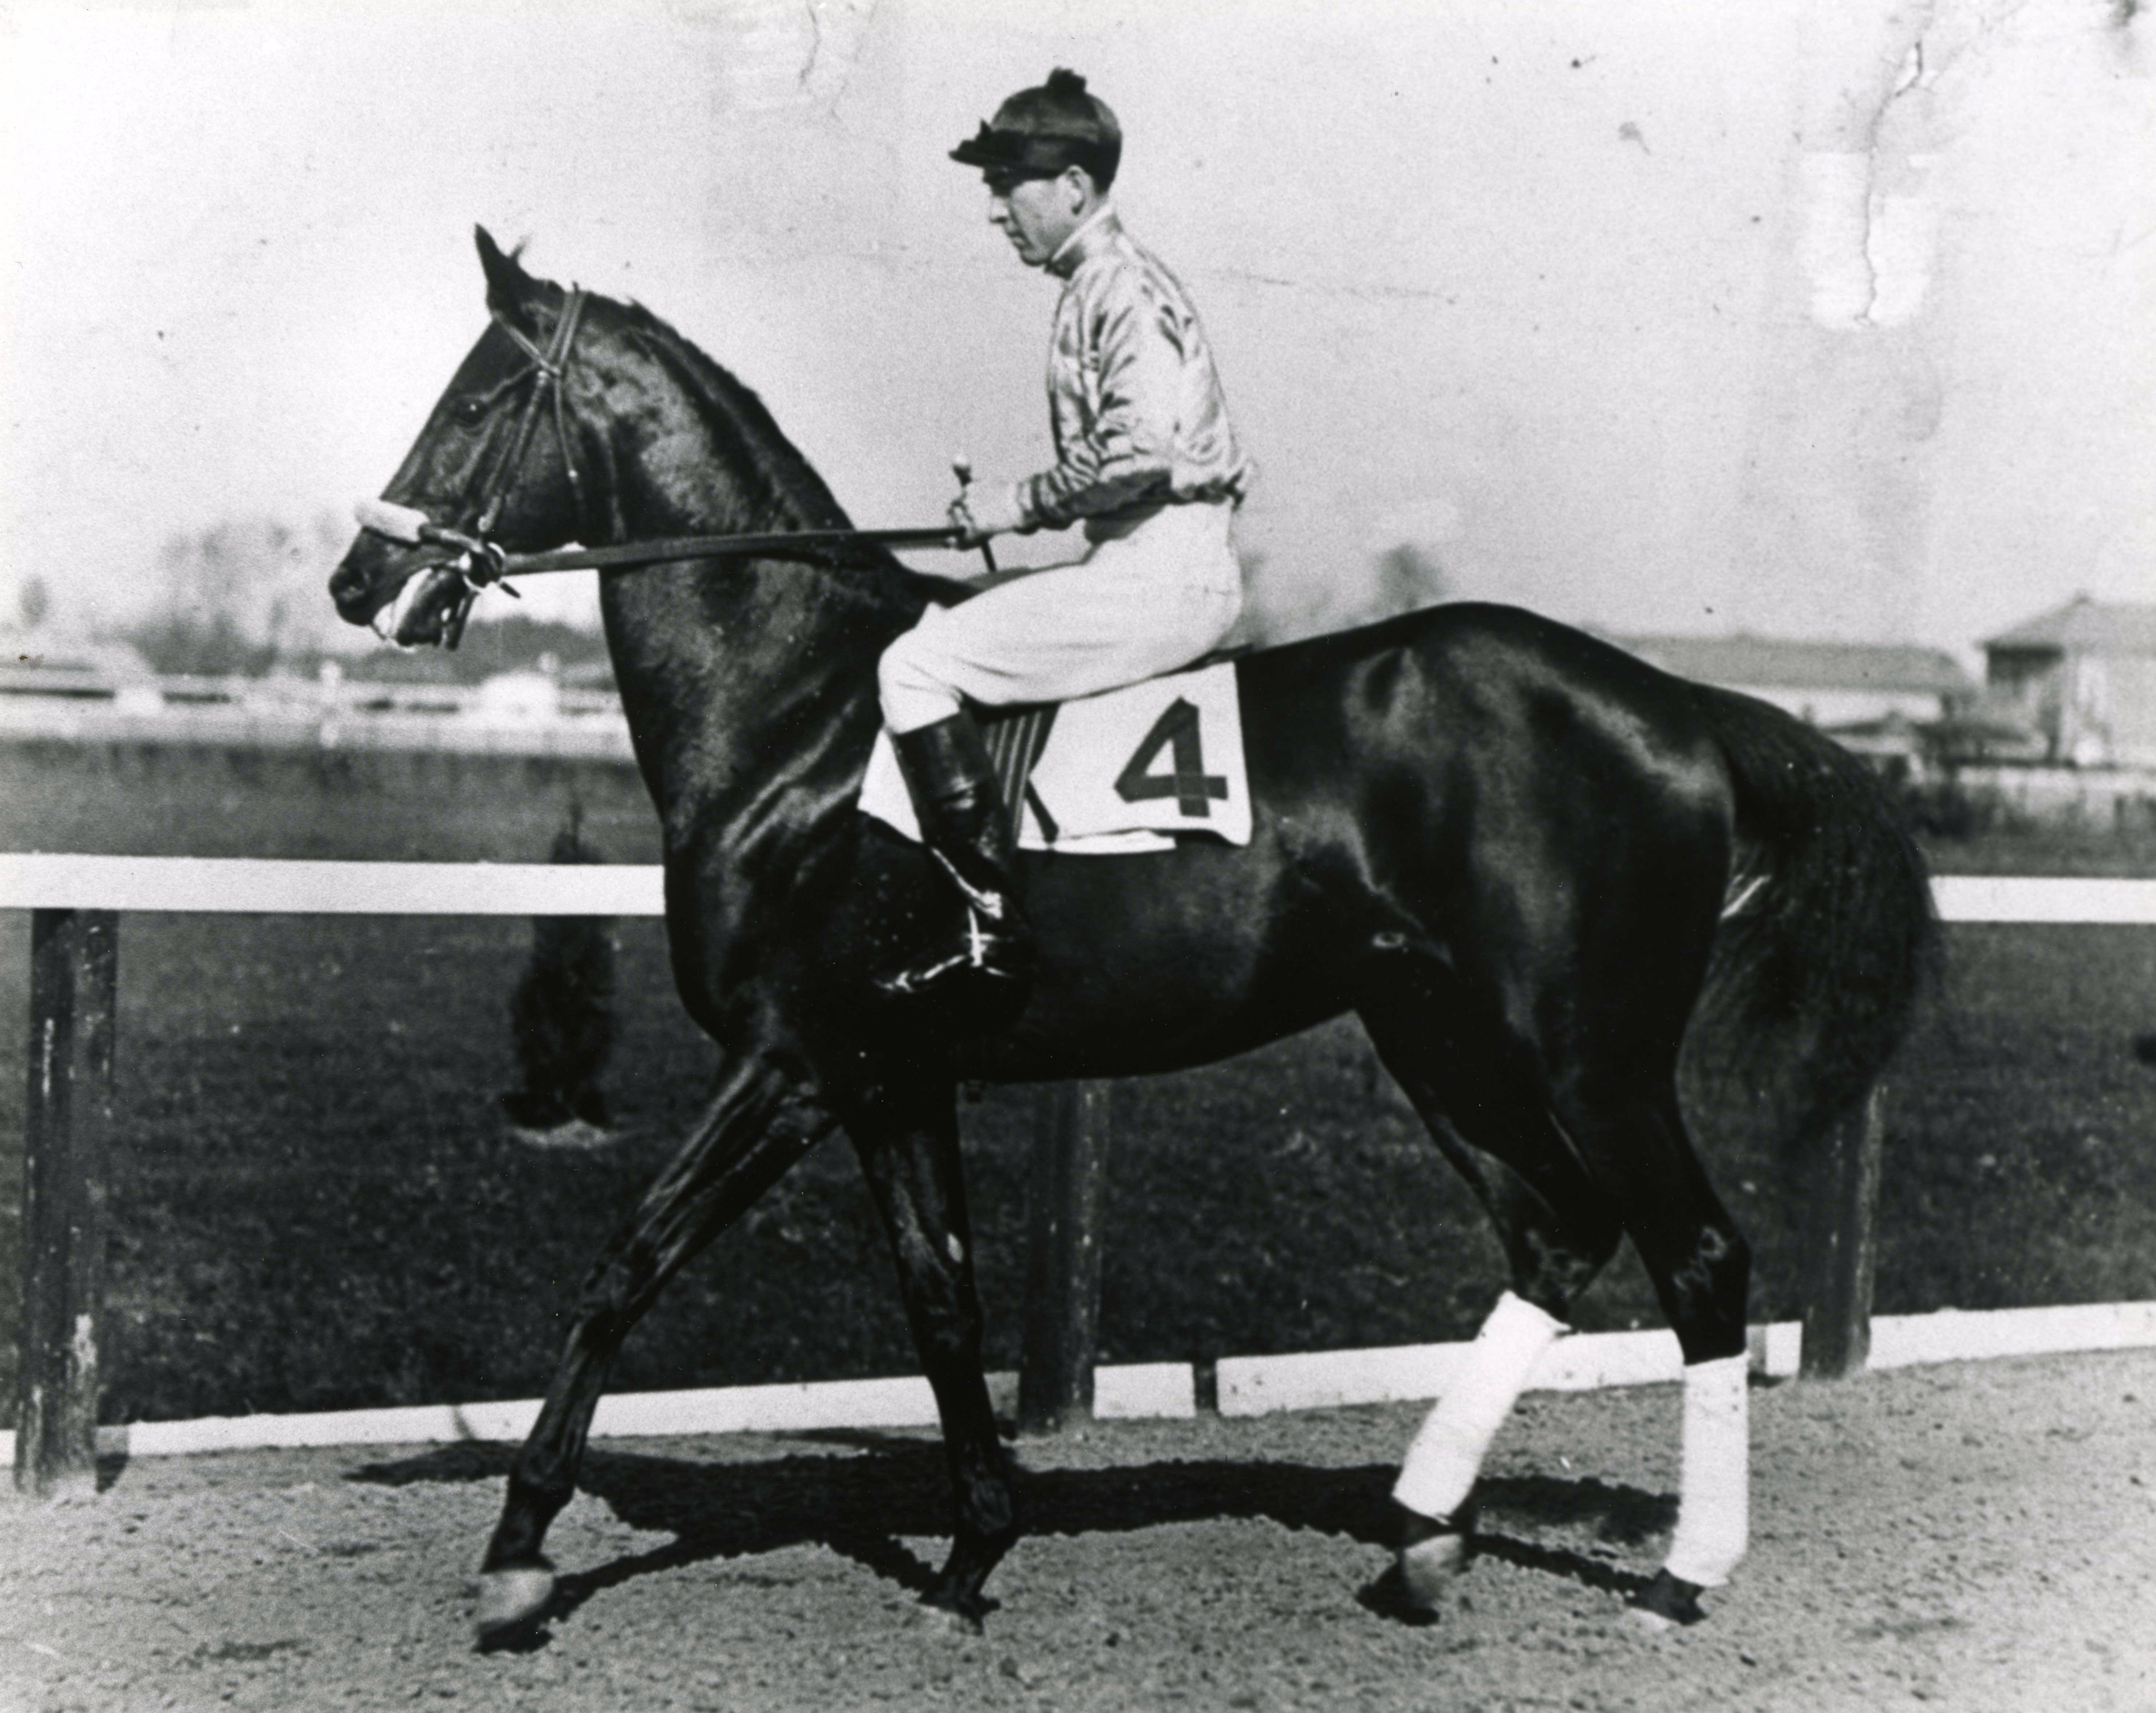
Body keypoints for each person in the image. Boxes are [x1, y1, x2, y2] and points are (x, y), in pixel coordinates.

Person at [876, 67, 1253, 1020]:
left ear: (1076, 187)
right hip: (1139, 559)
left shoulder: (1114, 287)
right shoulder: (1099, 282)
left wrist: (1013, 505)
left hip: (1162, 569)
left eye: (1011, 183)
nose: (997, 207)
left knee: (914, 668)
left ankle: (989, 927)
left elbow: (1140, 451)